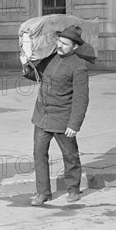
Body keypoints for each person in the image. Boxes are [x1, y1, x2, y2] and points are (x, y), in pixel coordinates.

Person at [23, 25, 90, 206]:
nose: (60, 45)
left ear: (74, 47)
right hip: (42, 117)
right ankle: (43, 192)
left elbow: (81, 99)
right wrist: (26, 65)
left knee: (70, 156)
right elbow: (37, 75)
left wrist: (74, 124)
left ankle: (73, 189)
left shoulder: (78, 66)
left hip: (63, 120)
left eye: (65, 44)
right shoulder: (50, 58)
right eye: (59, 41)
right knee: (39, 154)